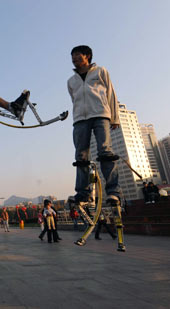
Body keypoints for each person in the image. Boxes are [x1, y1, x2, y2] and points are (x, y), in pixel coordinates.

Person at [67, 45, 121, 206]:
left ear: (87, 56)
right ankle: (83, 193)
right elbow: (74, 99)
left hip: (100, 116)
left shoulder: (100, 71)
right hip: (79, 120)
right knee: (81, 156)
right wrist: (78, 115)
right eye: (72, 56)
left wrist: (115, 118)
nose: (74, 59)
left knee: (105, 152)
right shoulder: (71, 81)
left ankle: (113, 191)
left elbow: (111, 93)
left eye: (78, 55)